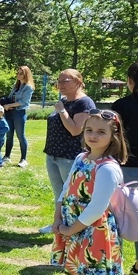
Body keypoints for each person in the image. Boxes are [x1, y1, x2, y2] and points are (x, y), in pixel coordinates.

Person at [49, 109, 128, 275]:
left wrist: (70, 230)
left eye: (101, 132)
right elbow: (65, 189)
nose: (93, 136)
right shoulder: (81, 158)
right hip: (74, 228)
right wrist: (57, 218)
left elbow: (96, 209)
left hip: (93, 233)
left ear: (114, 136)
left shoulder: (107, 168)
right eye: (89, 130)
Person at [39, 69, 97, 233]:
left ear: (78, 82)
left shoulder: (84, 103)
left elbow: (75, 130)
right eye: (59, 81)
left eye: (66, 81)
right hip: (53, 154)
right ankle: (58, 224)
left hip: (70, 156)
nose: (61, 84)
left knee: (71, 194)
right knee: (59, 193)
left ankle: (74, 227)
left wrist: (62, 111)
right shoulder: (64, 100)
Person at [111, 60, 138, 275]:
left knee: (117, 217)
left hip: (128, 168)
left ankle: (115, 265)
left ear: (130, 80)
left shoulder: (122, 105)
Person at [2, 66, 35, 168]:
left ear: (26, 75)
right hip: (10, 113)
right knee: (9, 134)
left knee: (20, 136)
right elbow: (10, 97)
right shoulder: (16, 85)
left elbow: (24, 102)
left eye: (21, 73)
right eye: (18, 73)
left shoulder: (28, 87)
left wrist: (9, 105)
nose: (18, 75)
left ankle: (23, 159)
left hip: (19, 113)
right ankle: (7, 156)